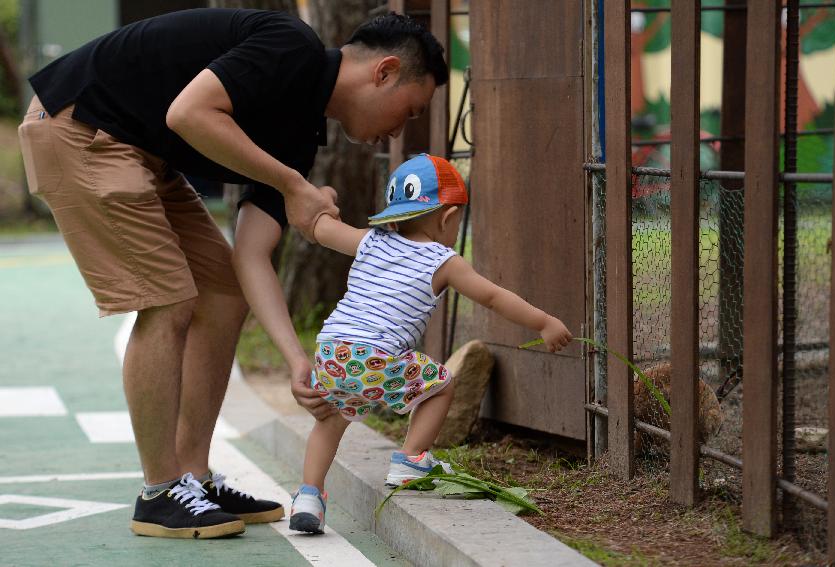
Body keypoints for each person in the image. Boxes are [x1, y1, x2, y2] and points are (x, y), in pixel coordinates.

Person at [17, 8, 448, 539]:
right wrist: (292, 185)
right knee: (168, 299)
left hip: (140, 150)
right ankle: (159, 493)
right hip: (82, 126)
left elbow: (250, 255)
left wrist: (297, 361)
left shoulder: (300, 134)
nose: (398, 130)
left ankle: (193, 476)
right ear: (382, 73)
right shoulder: (293, 47)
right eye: (410, 110)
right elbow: (189, 112)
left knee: (220, 290)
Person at [287, 154, 574, 534]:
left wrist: (322, 198)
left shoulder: (369, 241)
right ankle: (409, 459)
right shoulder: (443, 260)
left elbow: (322, 229)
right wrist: (544, 322)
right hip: (378, 358)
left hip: (333, 353)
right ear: (448, 217)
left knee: (330, 421)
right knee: (440, 383)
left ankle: (309, 496)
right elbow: (492, 297)